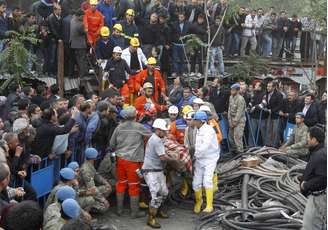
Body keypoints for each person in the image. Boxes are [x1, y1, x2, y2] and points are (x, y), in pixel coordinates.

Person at [109, 106, 152, 217]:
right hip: (133, 161)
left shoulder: (119, 127)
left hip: (120, 160)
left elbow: (112, 144)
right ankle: (134, 212)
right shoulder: (139, 127)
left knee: (121, 184)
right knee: (134, 185)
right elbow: (151, 136)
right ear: (135, 116)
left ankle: (119, 210)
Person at [142, 118, 173, 228]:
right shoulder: (156, 140)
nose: (166, 133)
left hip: (157, 170)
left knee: (164, 192)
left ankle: (158, 211)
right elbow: (163, 157)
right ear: (158, 130)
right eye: (164, 131)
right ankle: (151, 218)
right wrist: (174, 159)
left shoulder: (157, 138)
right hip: (151, 171)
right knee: (155, 195)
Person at [192, 111, 220, 214]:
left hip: (210, 159)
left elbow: (205, 146)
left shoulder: (208, 131)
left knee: (207, 181)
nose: (193, 121)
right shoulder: (198, 129)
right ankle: (199, 202)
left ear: (200, 121)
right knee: (196, 183)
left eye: (195, 120)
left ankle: (209, 205)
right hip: (200, 159)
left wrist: (195, 155)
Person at [301, 126, 326, 230]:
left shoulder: (319, 156)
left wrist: (305, 185)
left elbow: (323, 177)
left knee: (310, 226)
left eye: (308, 137)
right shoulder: (320, 152)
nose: (307, 139)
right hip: (318, 197)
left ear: (314, 140)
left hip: (317, 198)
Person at [79, 148, 112, 214]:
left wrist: (105, 183)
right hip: (83, 192)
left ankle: (96, 201)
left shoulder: (89, 164)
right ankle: (90, 209)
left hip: (88, 190)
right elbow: (92, 188)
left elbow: (97, 176)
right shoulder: (86, 170)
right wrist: (103, 200)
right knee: (103, 207)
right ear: (94, 158)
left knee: (107, 188)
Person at [261, 81, 283, 148]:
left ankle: (274, 146)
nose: (268, 87)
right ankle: (268, 144)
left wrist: (272, 110)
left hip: (276, 115)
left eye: (269, 86)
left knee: (275, 131)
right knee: (269, 130)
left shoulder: (279, 94)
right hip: (269, 115)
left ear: (273, 87)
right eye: (267, 86)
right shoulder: (267, 93)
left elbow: (280, 105)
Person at [70, 9, 88, 79]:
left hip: (73, 44)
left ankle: (80, 74)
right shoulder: (81, 24)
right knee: (82, 60)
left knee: (77, 60)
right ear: (79, 16)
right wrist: (86, 30)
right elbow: (85, 32)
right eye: (82, 16)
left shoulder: (72, 20)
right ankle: (82, 75)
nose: (83, 17)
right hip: (80, 45)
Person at [228, 83, 246, 154]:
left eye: (233, 90)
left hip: (239, 121)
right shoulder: (231, 97)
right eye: (231, 90)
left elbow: (239, 112)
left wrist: (234, 123)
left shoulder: (240, 99)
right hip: (232, 120)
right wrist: (230, 121)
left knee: (237, 138)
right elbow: (229, 109)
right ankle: (234, 152)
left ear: (237, 91)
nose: (231, 91)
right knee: (231, 138)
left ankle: (240, 153)